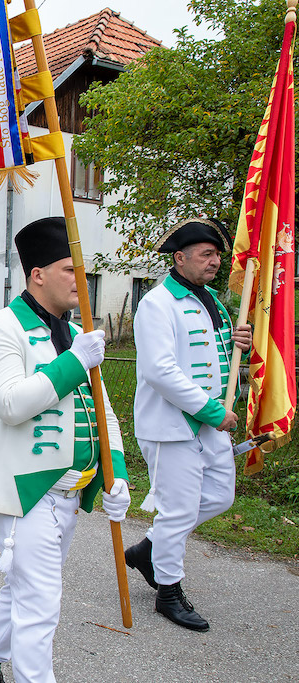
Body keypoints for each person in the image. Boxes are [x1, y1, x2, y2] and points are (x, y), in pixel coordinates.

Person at [0, 218, 130, 682]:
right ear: (37, 273)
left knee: (24, 588)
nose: (80, 280)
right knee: (41, 604)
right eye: (68, 269)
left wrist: (115, 473)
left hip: (71, 493)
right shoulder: (0, 327)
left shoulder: (75, 332)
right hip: (26, 490)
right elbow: (10, 404)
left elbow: (106, 415)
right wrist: (75, 362)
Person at [126, 218, 252, 633]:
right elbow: (161, 371)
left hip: (210, 422)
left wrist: (236, 342)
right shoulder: (157, 303)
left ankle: (149, 549)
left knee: (219, 495)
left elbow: (210, 353)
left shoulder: (211, 298)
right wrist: (213, 411)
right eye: (206, 255)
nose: (215, 261)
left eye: (217, 254)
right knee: (178, 510)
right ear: (179, 259)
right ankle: (168, 591)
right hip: (171, 426)